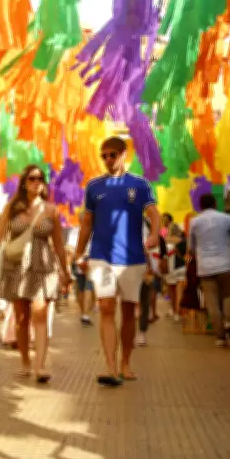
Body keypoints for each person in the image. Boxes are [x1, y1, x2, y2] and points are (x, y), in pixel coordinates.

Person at [74, 136, 160, 386]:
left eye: (112, 154)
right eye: (104, 156)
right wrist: (80, 253)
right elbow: (87, 223)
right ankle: (110, 366)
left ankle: (126, 363)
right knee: (107, 308)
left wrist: (154, 235)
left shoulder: (140, 185)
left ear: (124, 154)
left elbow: (153, 214)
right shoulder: (93, 187)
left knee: (129, 312)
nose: (108, 160)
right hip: (101, 257)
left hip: (132, 258)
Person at [0, 165, 70, 383]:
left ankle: (40, 365)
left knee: (40, 313)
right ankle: (25, 360)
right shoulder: (12, 208)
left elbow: (59, 245)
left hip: (42, 266)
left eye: (40, 178)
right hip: (16, 266)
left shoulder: (51, 210)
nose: (37, 182)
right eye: (32, 178)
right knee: (22, 318)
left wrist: (66, 270)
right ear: (24, 182)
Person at [188, 193, 230, 347]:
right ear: (215, 204)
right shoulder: (227, 218)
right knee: (228, 295)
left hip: (205, 268)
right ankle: (229, 322)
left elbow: (191, 247)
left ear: (200, 206)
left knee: (212, 302)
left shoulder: (195, 222)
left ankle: (220, 337)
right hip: (225, 264)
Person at [137, 222, 167, 346]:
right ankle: (137, 331)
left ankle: (142, 331)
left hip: (146, 272)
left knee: (144, 301)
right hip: (130, 269)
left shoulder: (155, 236)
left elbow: (162, 249)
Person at [164, 225, 187, 323]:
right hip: (181, 268)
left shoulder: (165, 241)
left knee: (171, 293)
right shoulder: (183, 241)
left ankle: (173, 311)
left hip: (169, 270)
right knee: (179, 293)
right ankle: (178, 315)